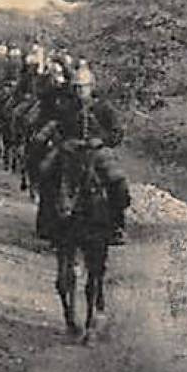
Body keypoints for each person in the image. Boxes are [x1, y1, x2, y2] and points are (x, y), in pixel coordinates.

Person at [42, 63, 131, 245]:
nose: (80, 91)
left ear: (91, 87)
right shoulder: (67, 107)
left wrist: (103, 140)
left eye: (84, 87)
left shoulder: (104, 107)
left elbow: (117, 132)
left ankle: (117, 224)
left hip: (98, 151)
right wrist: (62, 141)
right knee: (46, 170)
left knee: (117, 179)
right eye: (77, 87)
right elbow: (58, 128)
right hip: (71, 150)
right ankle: (50, 224)